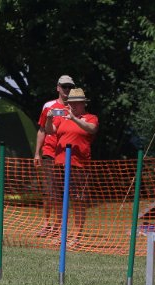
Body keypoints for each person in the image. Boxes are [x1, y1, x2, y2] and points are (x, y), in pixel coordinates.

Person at [45, 88, 99, 249]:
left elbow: (92, 129)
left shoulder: (91, 118)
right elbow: (50, 130)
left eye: (76, 103)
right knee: (59, 200)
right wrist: (49, 119)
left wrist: (74, 118)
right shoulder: (62, 117)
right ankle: (61, 233)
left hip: (78, 166)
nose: (73, 106)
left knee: (78, 201)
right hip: (59, 164)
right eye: (70, 103)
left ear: (83, 104)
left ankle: (77, 236)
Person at [34, 74, 74, 237]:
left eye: (70, 87)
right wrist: (37, 153)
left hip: (67, 155)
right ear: (58, 88)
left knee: (62, 192)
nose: (67, 89)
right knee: (48, 191)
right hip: (49, 153)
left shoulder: (75, 107)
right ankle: (46, 223)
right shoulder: (49, 106)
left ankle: (59, 225)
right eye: (64, 86)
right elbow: (42, 130)